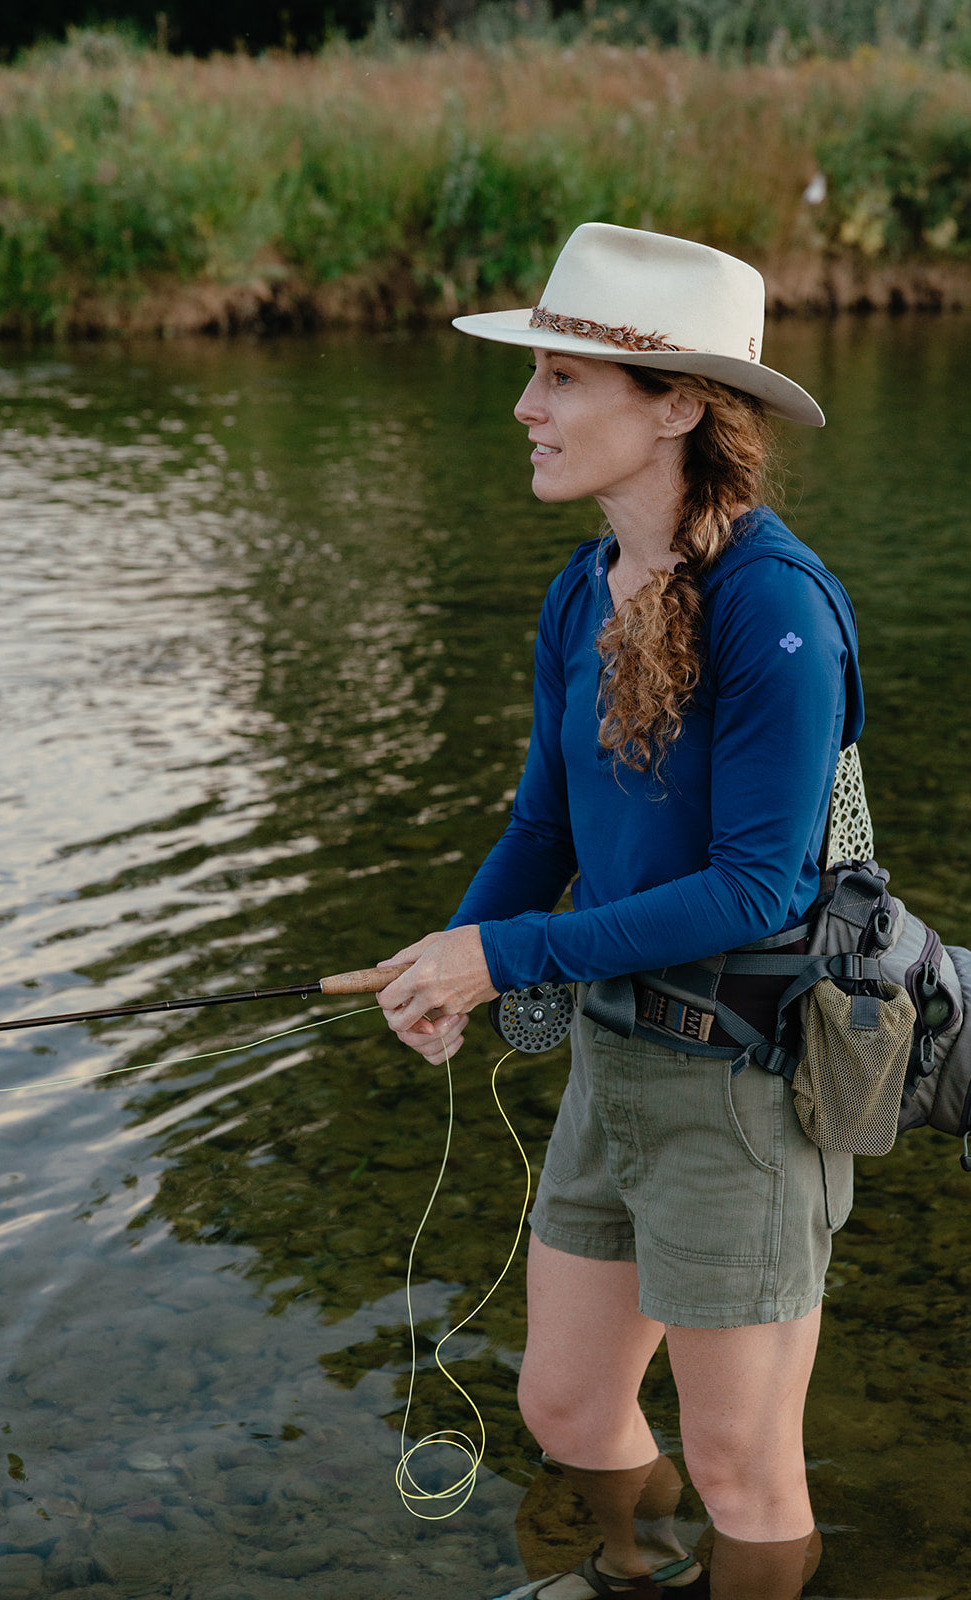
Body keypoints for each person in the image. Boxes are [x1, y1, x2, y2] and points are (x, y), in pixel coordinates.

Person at [376, 223, 864, 1600]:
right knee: (568, 1408)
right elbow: (547, 826)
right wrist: (448, 959)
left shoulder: (775, 608)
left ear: (678, 408)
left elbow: (757, 887)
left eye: (561, 380)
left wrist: (504, 956)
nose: (526, 409)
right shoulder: (582, 588)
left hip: (744, 1088)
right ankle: (633, 1578)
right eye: (534, 376)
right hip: (616, 1059)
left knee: (747, 1470)